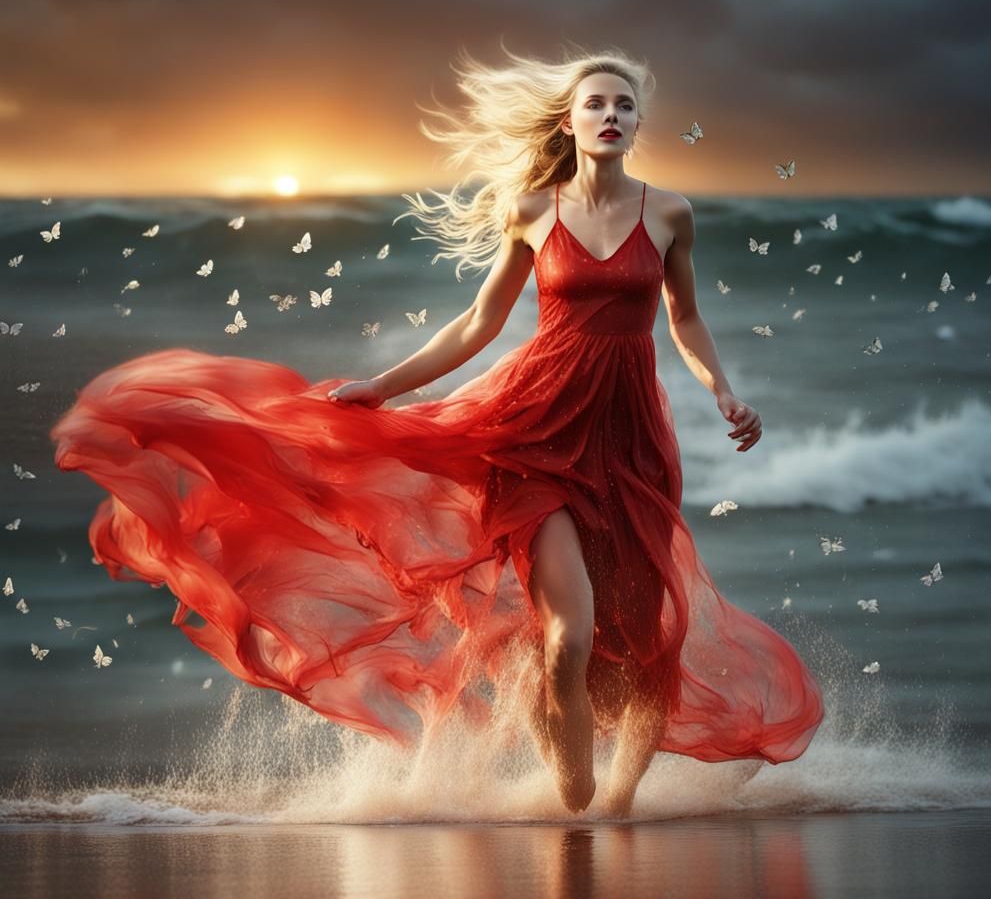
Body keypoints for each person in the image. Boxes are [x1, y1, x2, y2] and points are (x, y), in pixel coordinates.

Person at [51, 44, 824, 818]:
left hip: (630, 440)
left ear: (639, 123)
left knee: (647, 640)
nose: (610, 116)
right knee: (569, 636)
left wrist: (724, 391)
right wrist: (386, 386)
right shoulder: (532, 210)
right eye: (596, 104)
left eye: (624, 106)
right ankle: (573, 787)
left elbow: (684, 318)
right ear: (570, 121)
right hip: (538, 430)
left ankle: (615, 805)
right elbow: (478, 324)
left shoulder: (669, 213)